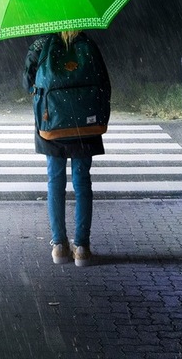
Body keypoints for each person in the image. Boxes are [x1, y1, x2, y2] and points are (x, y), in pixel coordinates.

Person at [22, 29, 111, 267]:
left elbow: (27, 83)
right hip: (85, 124)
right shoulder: (87, 44)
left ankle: (59, 246)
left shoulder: (41, 45)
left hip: (53, 123)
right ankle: (81, 247)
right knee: (82, 181)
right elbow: (104, 84)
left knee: (55, 181)